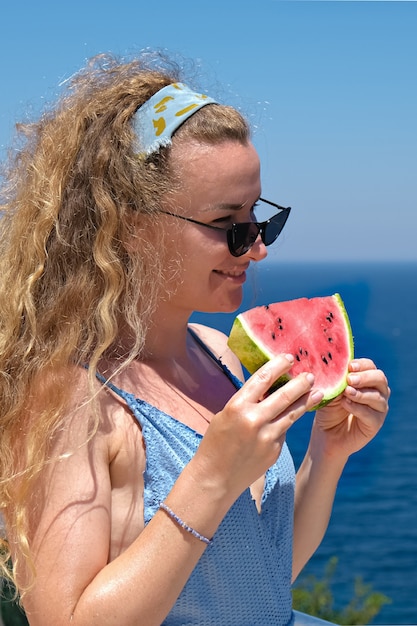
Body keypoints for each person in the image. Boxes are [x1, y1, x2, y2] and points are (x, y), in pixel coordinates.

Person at [0, 53, 389, 626]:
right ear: (128, 224)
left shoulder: (219, 352)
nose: (256, 248)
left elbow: (261, 583)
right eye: (230, 224)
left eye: (260, 220)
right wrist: (211, 476)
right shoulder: (70, 398)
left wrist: (327, 457)